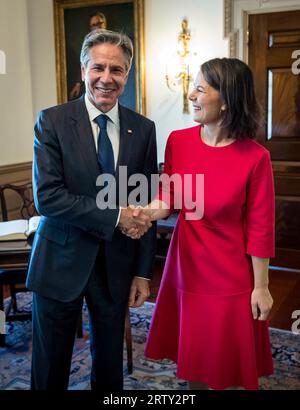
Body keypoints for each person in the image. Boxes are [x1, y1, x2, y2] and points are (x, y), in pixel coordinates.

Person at [132, 58, 275, 390]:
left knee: (226, 363)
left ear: (226, 99)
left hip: (231, 274)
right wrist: (137, 214)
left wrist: (262, 286)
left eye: (200, 88)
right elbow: (168, 199)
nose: (191, 95)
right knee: (193, 357)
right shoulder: (179, 142)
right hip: (187, 266)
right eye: (192, 87)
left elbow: (260, 226)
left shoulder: (256, 157)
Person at [26, 29, 157, 391]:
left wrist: (143, 273)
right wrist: (116, 215)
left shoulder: (143, 130)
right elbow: (48, 198)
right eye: (98, 67)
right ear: (83, 69)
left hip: (116, 267)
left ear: (127, 75)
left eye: (117, 70)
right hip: (59, 264)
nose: (106, 78)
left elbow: (143, 204)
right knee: (50, 369)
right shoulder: (51, 121)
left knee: (110, 369)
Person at [69, 12, 107, 100]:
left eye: (99, 23)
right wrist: (78, 84)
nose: (97, 27)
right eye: (93, 25)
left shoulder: (115, 42)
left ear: (104, 24)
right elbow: (84, 63)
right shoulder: (88, 43)